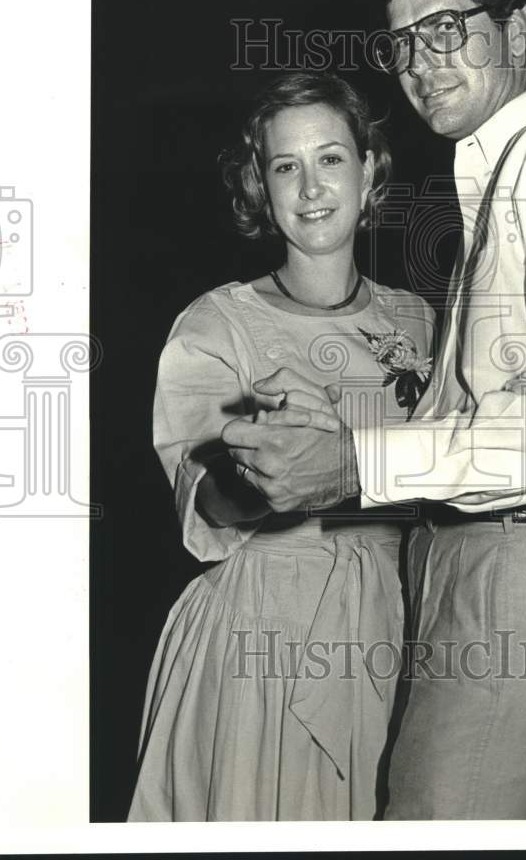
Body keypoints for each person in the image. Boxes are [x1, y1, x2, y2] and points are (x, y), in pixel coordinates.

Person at [221, 0, 526, 819]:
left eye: (444, 31)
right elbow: (492, 404)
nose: (418, 63)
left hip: (519, 574)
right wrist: (346, 432)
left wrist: (362, 464)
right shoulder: (498, 179)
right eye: (401, 44)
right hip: (480, 569)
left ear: (515, 31)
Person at [127, 71, 435, 821]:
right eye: (284, 166)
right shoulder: (214, 325)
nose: (310, 186)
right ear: (260, 190)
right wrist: (258, 474)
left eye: (331, 158)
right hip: (260, 636)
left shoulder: (424, 322)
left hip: (397, 627)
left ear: (370, 170)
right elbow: (202, 506)